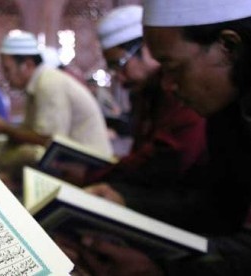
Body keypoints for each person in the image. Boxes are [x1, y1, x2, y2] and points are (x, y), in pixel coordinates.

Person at [74, 0, 251, 275]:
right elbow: (218, 207)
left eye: (173, 67)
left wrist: (160, 269)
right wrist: (125, 199)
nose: (168, 84)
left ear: (229, 47)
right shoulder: (225, 110)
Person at [83, 5, 210, 231]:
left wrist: (101, 180)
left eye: (120, 65)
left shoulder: (182, 88)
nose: (120, 79)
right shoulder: (147, 92)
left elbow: (170, 160)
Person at [0, 30, 113, 193]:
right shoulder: (37, 85)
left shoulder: (49, 83)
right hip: (71, 163)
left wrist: (4, 128)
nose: (6, 77)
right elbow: (29, 133)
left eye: (8, 70)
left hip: (90, 169)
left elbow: (48, 141)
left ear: (28, 65)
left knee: (23, 156)